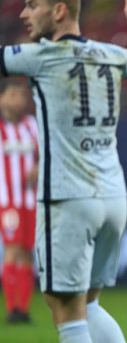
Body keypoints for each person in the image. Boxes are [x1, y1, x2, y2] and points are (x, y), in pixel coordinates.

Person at [0, 0, 127, 342]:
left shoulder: (42, 56)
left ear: (58, 11)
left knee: (65, 310)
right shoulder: (110, 54)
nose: (24, 14)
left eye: (32, 6)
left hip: (69, 198)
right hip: (114, 197)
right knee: (89, 305)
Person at [0, 80, 38, 324]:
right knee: (12, 250)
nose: (19, 101)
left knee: (28, 253)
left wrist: (37, 166)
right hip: (7, 202)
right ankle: (12, 308)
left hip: (31, 201)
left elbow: (46, 153)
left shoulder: (31, 125)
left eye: (22, 96)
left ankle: (23, 310)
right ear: (1, 98)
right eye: (13, 95)